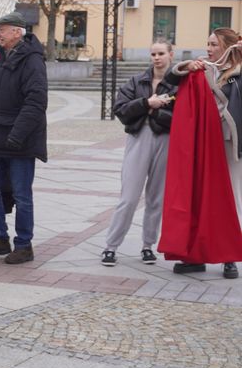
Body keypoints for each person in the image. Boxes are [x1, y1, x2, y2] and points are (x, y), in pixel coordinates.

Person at [162, 28, 242, 279]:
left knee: (230, 197)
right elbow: (171, 79)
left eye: (214, 44)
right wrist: (186, 65)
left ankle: (230, 256)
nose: (208, 49)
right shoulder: (203, 69)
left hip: (229, 143)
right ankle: (195, 255)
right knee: (200, 196)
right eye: (207, 43)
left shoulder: (237, 73)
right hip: (204, 142)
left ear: (227, 46)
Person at [0, 11, 48, 265]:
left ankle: (24, 244)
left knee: (21, 194)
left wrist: (18, 134)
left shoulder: (32, 61)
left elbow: (36, 102)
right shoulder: (3, 57)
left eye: (3, 29)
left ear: (17, 32)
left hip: (20, 140)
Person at [100, 40, 177, 266]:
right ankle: (110, 246)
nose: (156, 57)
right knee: (129, 197)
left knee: (156, 198)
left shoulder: (179, 84)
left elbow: (183, 116)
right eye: (153, 53)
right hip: (138, 137)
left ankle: (147, 246)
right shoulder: (137, 80)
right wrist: (147, 103)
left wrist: (155, 114)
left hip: (165, 138)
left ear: (170, 55)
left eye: (161, 53)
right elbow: (121, 110)